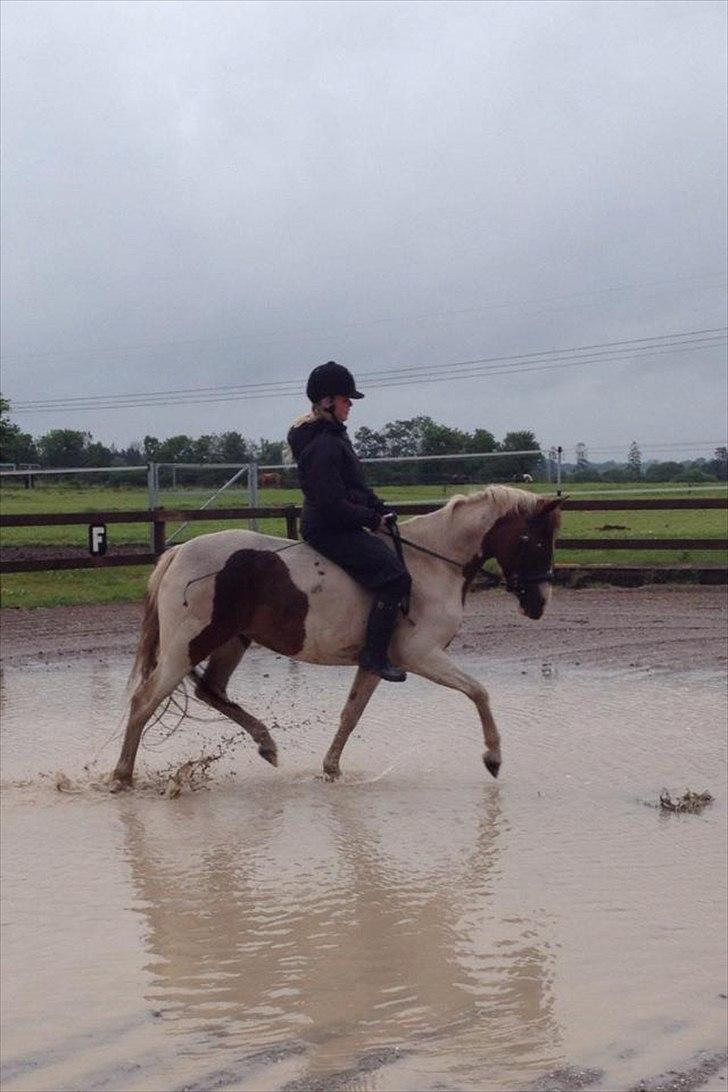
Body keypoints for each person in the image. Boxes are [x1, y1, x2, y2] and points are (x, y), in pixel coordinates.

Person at [287, 361, 411, 682]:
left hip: (340, 522)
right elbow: (331, 503)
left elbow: (355, 488)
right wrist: (371, 519)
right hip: (328, 528)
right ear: (327, 402)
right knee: (396, 577)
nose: (350, 404)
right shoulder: (323, 445)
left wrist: (379, 508)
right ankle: (373, 656)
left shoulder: (334, 437)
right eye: (345, 399)